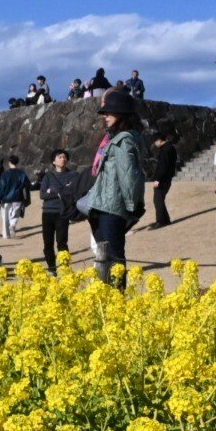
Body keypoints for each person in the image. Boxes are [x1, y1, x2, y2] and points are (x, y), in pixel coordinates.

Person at [85, 90, 146, 285]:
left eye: (110, 113)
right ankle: (109, 297)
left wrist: (132, 206)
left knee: (114, 256)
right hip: (106, 205)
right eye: (104, 113)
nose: (105, 116)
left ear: (122, 114)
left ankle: (116, 298)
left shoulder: (123, 140)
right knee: (107, 255)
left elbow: (129, 176)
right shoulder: (120, 138)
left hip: (112, 207)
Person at [34, 149, 85, 271]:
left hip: (63, 212)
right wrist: (61, 191)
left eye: (64, 157)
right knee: (48, 244)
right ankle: (52, 269)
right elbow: (42, 195)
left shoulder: (73, 175)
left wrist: (53, 190)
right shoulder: (48, 176)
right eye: (59, 157)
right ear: (54, 161)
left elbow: (74, 192)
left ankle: (64, 268)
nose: (63, 159)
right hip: (47, 213)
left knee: (62, 242)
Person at [0, 155, 30, 239]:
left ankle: (6, 235)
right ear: (17, 162)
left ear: (9, 162)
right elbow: (27, 185)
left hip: (6, 198)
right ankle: (13, 225)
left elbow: (1, 187)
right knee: (15, 215)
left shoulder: (5, 174)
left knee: (5, 217)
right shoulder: (22, 173)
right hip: (18, 197)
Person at [147, 131, 177, 228]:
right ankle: (165, 220)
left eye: (155, 141)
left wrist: (158, 179)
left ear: (159, 140)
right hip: (167, 177)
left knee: (158, 199)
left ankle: (160, 221)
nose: (155, 144)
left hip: (163, 179)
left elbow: (162, 167)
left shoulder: (165, 150)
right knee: (160, 199)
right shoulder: (170, 147)